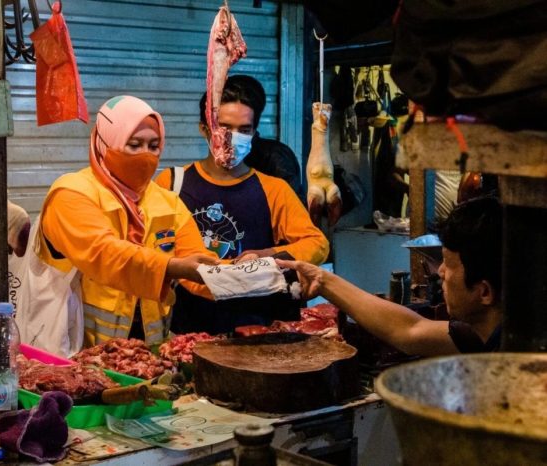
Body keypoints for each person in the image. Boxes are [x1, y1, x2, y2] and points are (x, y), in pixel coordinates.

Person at [22, 95, 217, 355]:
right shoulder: (71, 194)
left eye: (154, 145)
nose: (145, 156)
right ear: (105, 142)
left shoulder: (167, 202)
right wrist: (170, 267)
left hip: (147, 356)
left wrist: (250, 274)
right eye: (134, 145)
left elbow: (199, 265)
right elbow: (104, 253)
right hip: (77, 352)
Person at [154, 76, 329, 335]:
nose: (232, 138)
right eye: (223, 127)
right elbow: (154, 252)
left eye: (243, 130)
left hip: (262, 330)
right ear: (204, 129)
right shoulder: (171, 183)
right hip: (191, 331)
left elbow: (317, 244)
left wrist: (265, 255)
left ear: (254, 134)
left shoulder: (274, 189)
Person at [277, 196, 503, 355]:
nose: (440, 272)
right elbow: (409, 330)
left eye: (449, 265)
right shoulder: (485, 332)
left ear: (484, 292)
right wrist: (323, 280)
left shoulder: (519, 361)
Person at [226, 75, 306, 204]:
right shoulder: (219, 161)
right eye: (226, 127)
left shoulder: (276, 157)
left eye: (244, 129)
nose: (233, 136)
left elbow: (293, 208)